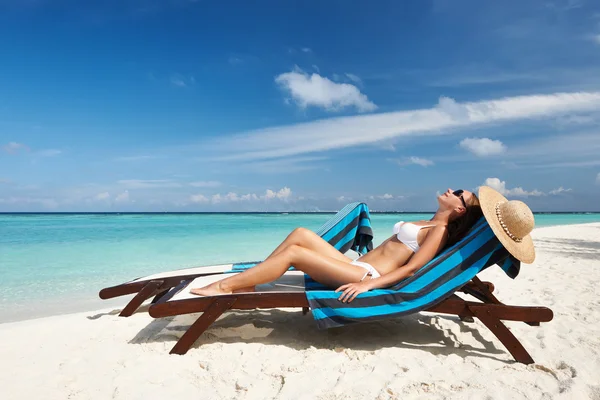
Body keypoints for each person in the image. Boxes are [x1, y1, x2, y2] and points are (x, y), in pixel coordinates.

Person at [190, 188, 483, 302]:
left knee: (295, 254)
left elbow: (413, 269)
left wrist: (368, 286)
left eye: (458, 194)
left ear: (459, 210)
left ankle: (226, 286)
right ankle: (255, 279)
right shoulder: (428, 222)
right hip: (356, 265)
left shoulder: (440, 231)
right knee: (301, 233)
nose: (450, 190)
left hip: (365, 275)